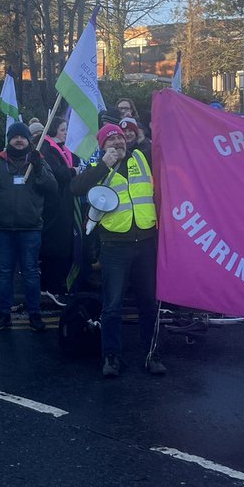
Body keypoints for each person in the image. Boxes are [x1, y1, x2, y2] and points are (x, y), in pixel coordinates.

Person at [71, 123, 165, 378]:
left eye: (120, 139)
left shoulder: (141, 158)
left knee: (149, 303)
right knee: (112, 305)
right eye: (111, 141)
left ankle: (152, 353)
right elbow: (76, 188)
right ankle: (111, 356)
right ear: (102, 146)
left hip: (146, 243)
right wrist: (104, 165)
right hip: (114, 246)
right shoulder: (97, 166)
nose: (118, 143)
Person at [0, 121, 57, 332]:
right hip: (3, 230)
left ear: (28, 140)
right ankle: (4, 314)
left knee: (31, 273)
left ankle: (35, 314)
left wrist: (39, 168)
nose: (19, 140)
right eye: (15, 137)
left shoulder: (37, 160)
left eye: (23, 137)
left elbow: (52, 187)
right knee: (4, 273)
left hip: (30, 229)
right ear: (9, 139)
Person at [39, 117, 81, 298]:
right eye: (63, 129)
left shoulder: (63, 149)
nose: (66, 132)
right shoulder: (47, 149)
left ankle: (59, 283)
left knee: (64, 245)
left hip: (65, 203)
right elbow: (58, 174)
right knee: (54, 246)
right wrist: (74, 171)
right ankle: (49, 286)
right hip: (54, 206)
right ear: (54, 130)